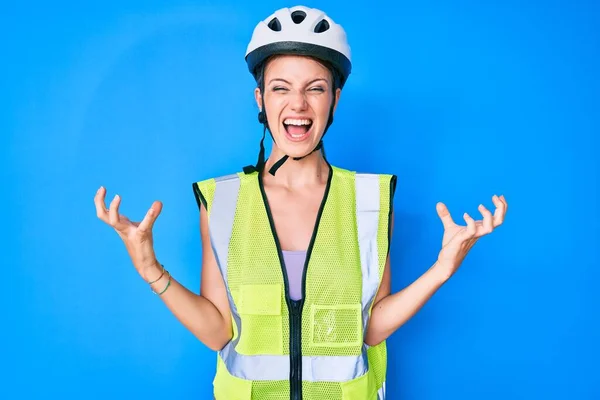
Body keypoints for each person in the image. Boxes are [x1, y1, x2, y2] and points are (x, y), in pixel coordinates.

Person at [94, 5, 508, 400]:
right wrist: (150, 268)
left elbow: (369, 327)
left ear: (335, 101)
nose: (298, 104)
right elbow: (218, 331)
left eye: (315, 88)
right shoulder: (222, 201)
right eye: (281, 88)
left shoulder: (370, 200)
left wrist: (441, 270)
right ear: (261, 100)